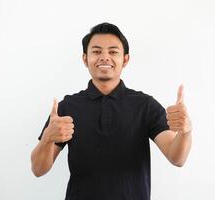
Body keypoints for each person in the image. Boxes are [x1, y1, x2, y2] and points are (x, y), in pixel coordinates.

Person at [31, 22, 192, 200]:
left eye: (113, 52)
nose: (105, 57)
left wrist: (185, 132)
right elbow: (38, 169)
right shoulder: (68, 107)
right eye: (97, 51)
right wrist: (47, 138)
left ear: (125, 59)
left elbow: (177, 158)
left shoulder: (145, 106)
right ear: (85, 59)